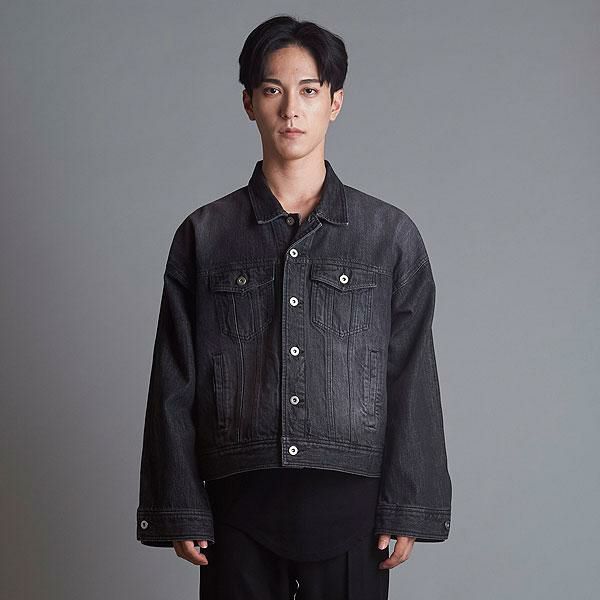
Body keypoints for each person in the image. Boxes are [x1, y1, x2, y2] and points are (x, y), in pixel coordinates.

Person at [136, 14, 452, 600]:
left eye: (308, 90)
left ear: (335, 102)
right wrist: (178, 502)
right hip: (237, 508)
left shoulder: (389, 236)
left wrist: (408, 504)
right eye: (272, 90)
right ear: (249, 103)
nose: (291, 110)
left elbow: (411, 375)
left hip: (353, 511)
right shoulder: (205, 235)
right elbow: (174, 378)